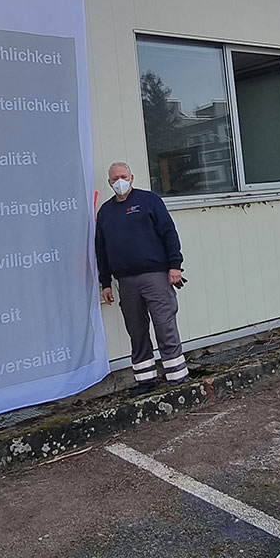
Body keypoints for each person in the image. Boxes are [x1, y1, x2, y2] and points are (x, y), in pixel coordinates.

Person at [95, 161, 189, 396]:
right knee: (136, 331)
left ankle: (177, 378)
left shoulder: (149, 201)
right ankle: (146, 381)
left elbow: (169, 232)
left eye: (123, 176)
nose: (119, 181)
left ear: (132, 178)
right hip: (125, 282)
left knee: (164, 326)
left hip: (155, 276)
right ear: (109, 182)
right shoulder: (105, 212)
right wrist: (105, 282)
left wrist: (175, 266)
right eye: (114, 178)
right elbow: (101, 250)